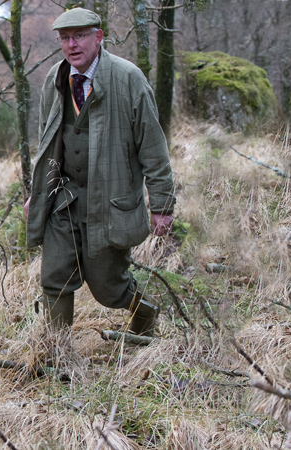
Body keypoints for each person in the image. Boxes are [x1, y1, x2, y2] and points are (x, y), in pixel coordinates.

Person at [24, 8, 176, 337]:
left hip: (110, 204)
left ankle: (147, 314)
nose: (71, 44)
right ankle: (56, 354)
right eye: (65, 38)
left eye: (79, 36)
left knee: (109, 287)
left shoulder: (129, 79)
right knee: (55, 278)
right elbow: (46, 144)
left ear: (98, 36)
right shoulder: (55, 79)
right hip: (63, 199)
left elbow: (153, 148)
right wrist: (37, 196)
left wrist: (162, 206)